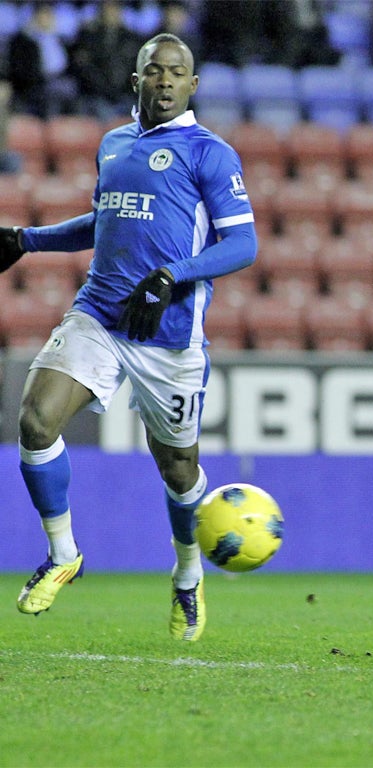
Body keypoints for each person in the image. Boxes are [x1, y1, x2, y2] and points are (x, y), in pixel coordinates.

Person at [0, 33, 257, 641]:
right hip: (101, 315)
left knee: (177, 469)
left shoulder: (210, 154)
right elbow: (106, 220)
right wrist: (25, 240)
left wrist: (173, 276)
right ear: (135, 81)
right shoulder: (113, 144)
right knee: (36, 422)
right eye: (154, 71)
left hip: (168, 336)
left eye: (176, 73)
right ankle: (64, 555)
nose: (164, 81)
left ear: (192, 85)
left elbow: (242, 244)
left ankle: (189, 576)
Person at [69, 0, 145, 121]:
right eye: (108, 9)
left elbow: (136, 67)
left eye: (115, 9)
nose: (111, 13)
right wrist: (105, 90)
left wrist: (125, 89)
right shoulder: (88, 37)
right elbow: (84, 69)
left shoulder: (132, 38)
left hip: (126, 95)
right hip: (96, 95)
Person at [7, 2, 79, 118]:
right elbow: (21, 71)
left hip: (62, 80)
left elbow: (70, 65)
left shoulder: (60, 39)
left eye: (49, 15)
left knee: (75, 94)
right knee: (52, 96)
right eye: (43, 15)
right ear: (35, 17)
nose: (47, 19)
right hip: (37, 84)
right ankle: (51, 130)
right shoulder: (24, 41)